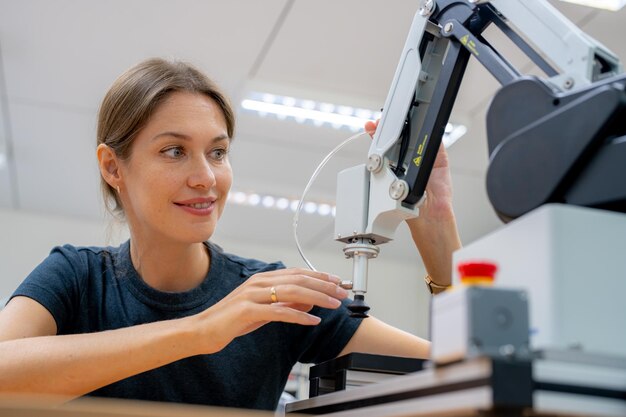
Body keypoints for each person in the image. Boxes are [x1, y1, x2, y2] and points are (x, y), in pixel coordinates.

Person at [0, 58, 461, 410]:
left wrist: (438, 222)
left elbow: (467, 367)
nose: (206, 178)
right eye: (174, 150)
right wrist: (202, 329)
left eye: (217, 153)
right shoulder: (76, 277)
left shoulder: (275, 297)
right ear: (112, 166)